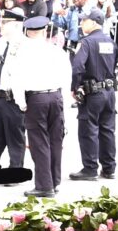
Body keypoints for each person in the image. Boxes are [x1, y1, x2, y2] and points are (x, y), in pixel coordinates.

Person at [8, 15, 71, 197]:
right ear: (44, 32)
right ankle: (54, 180)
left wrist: (21, 102)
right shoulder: (56, 50)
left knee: (39, 143)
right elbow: (67, 78)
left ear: (27, 32)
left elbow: (16, 79)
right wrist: (63, 100)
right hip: (56, 96)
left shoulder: (21, 53)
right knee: (55, 141)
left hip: (36, 99)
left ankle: (44, 186)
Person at [68, 9, 118, 181]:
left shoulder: (87, 42)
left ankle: (90, 168)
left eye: (84, 21)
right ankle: (109, 168)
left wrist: (75, 87)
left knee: (88, 130)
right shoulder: (110, 42)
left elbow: (77, 67)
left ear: (94, 22)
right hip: (109, 92)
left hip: (93, 92)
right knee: (107, 130)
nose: (81, 24)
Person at [0, 8, 26, 170]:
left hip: (13, 98)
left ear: (15, 25)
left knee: (15, 137)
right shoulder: (1, 42)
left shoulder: (24, 45)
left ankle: (15, 170)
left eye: (5, 23)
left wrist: (23, 100)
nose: (1, 26)